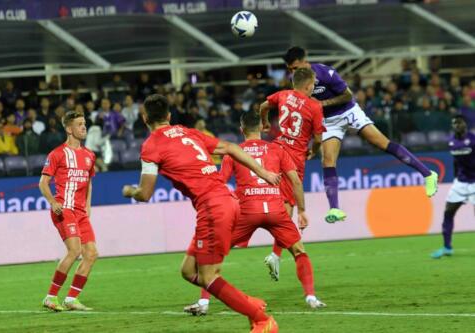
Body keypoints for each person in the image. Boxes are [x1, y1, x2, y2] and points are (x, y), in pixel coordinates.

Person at [122, 94, 280, 333]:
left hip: (212, 208)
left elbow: (145, 194)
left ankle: (261, 319)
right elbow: (230, 147)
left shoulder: (150, 146)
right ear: (168, 116)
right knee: (188, 270)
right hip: (226, 200)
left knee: (209, 277)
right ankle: (246, 302)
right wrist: (264, 172)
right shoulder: (188, 132)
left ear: (144, 118)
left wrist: (130, 191)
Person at [183, 111, 326, 316]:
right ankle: (311, 297)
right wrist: (302, 210)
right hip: (276, 210)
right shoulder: (277, 149)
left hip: (246, 211)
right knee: (299, 251)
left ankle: (203, 303)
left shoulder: (234, 152)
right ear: (261, 127)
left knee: (213, 257)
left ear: (241, 130)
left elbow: (220, 181)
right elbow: (295, 181)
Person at [276, 46, 438, 224]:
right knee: (328, 160)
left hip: (348, 111)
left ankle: (428, 174)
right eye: (290, 69)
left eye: (294, 67)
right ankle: (335, 208)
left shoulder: (325, 72)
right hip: (329, 121)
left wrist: (323, 103)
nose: (292, 72)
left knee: (382, 143)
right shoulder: (296, 81)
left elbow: (347, 95)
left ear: (304, 61)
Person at [259, 68, 325, 280]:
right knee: (287, 209)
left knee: (283, 207)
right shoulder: (314, 106)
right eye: (314, 84)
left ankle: (276, 255)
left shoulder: (283, 95)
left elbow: (263, 106)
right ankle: (275, 255)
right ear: (308, 85)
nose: (314, 87)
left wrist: (265, 123)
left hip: (275, 150)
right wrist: (313, 152)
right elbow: (317, 138)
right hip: (294, 157)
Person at [39, 111, 98, 312]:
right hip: (63, 209)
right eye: (79, 124)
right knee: (75, 251)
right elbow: (43, 183)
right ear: (68, 128)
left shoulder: (90, 155)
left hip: (81, 212)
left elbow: (89, 182)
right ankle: (50, 297)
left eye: (84, 123)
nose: (84, 127)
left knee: (91, 253)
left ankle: (72, 299)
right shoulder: (57, 154)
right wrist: (52, 201)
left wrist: (88, 206)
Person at [431, 115, 475, 259]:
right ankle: (447, 247)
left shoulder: (473, 139)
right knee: (448, 212)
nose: (456, 125)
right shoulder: (451, 142)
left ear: (465, 124)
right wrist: (456, 178)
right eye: (454, 123)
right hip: (460, 183)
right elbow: (456, 162)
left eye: (459, 122)